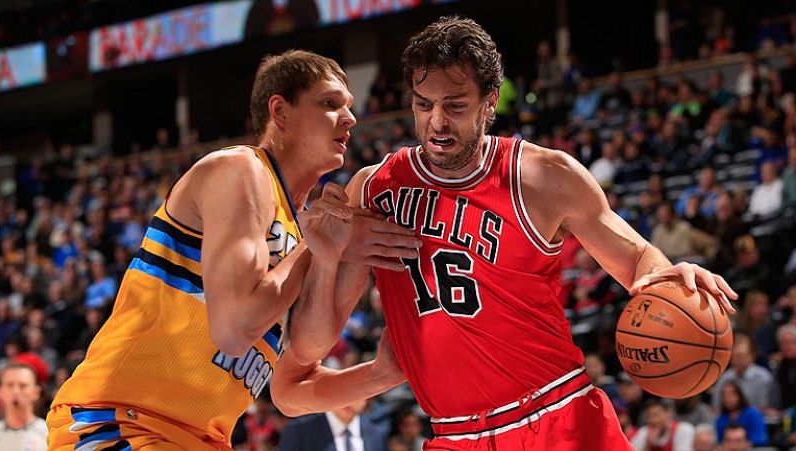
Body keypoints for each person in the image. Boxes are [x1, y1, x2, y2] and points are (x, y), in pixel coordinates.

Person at [273, 16, 738, 450]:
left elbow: (637, 260)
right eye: (423, 104)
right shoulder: (375, 190)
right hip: (454, 433)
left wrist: (666, 279)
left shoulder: (543, 176)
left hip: (558, 416)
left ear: (490, 101)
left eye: (455, 106)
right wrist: (330, 262)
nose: (437, 122)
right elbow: (303, 361)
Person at [46, 50, 417, 450]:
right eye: (330, 103)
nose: (350, 118)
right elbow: (235, 330)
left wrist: (383, 371)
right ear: (280, 111)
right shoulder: (240, 170)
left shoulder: (301, 231)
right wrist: (313, 245)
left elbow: (291, 390)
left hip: (197, 439)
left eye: (349, 106)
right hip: (121, 420)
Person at [278, 399, 388, 451]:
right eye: (343, 392)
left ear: (367, 400)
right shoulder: (299, 431)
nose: (348, 401)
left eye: (357, 395)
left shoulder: (378, 435)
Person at [0, 363, 47, 450]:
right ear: (0, 392)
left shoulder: (48, 433)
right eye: (10, 385)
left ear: (36, 392)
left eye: (23, 386)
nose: (16, 391)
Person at [630, 398, 695, 451]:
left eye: (657, 415)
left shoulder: (683, 429)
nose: (653, 420)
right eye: (649, 416)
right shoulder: (643, 432)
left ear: (669, 413)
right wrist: (648, 445)